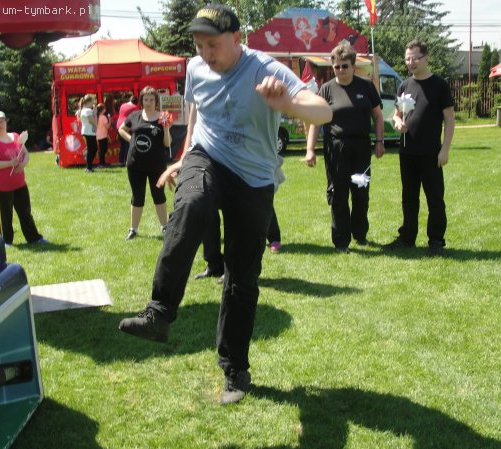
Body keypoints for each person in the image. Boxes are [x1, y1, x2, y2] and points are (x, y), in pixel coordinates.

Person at [118, 4, 331, 405]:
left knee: (241, 276)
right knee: (191, 204)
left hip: (253, 178)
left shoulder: (263, 68)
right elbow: (197, 114)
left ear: (237, 38)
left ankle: (235, 369)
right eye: (199, 45)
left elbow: (324, 109)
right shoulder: (196, 68)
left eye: (213, 45)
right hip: (208, 157)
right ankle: (159, 311)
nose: (205, 54)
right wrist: (183, 157)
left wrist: (288, 104)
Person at [306, 42, 385, 253]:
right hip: (336, 148)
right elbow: (316, 121)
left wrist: (379, 142)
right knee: (338, 194)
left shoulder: (366, 87)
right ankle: (341, 240)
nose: (340, 70)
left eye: (344, 66)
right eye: (337, 66)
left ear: (353, 66)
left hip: (361, 148)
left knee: (360, 192)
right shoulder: (326, 89)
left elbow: (377, 116)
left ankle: (360, 233)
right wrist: (310, 149)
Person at [384, 40, 455, 256]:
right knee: (409, 198)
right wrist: (397, 123)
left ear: (426, 58)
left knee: (435, 198)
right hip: (407, 153)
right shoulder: (404, 85)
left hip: (431, 153)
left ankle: (436, 241)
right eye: (407, 59)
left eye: (415, 58)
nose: (410, 62)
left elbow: (450, 120)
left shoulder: (440, 85)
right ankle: (407, 238)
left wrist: (445, 150)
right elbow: (396, 115)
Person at [118, 85, 171, 240]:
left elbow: (167, 143)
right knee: (137, 196)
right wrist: (131, 140)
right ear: (141, 100)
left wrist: (166, 129)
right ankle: (133, 229)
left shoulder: (163, 117)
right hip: (135, 164)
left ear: (156, 101)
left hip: (156, 165)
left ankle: (165, 227)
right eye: (145, 99)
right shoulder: (135, 116)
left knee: (158, 195)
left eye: (151, 99)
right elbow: (121, 129)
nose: (148, 102)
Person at [0, 110, 47, 247]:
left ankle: (34, 238)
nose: (0, 125)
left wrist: (22, 164)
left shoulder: (16, 137)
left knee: (26, 213)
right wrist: (9, 163)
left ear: (6, 122)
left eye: (2, 121)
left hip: (20, 184)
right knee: (6, 216)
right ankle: (7, 241)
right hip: (3, 187)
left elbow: (26, 154)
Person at [116, 94, 140, 165]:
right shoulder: (135, 107)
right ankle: (127, 161)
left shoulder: (123, 105)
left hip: (119, 125)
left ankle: (121, 161)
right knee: (128, 145)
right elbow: (136, 118)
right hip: (127, 126)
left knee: (122, 145)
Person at [78, 94, 98, 172]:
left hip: (87, 131)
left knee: (92, 149)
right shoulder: (88, 111)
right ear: (88, 102)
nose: (93, 103)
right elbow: (93, 122)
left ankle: (89, 166)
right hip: (89, 132)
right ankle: (89, 167)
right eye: (92, 102)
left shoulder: (83, 110)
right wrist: (95, 113)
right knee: (92, 149)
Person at [96, 103, 111, 167]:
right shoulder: (103, 117)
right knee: (103, 149)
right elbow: (107, 126)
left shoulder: (97, 116)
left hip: (98, 135)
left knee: (102, 149)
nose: (105, 109)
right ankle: (101, 163)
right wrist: (110, 119)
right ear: (103, 109)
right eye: (104, 108)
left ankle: (102, 163)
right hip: (103, 135)